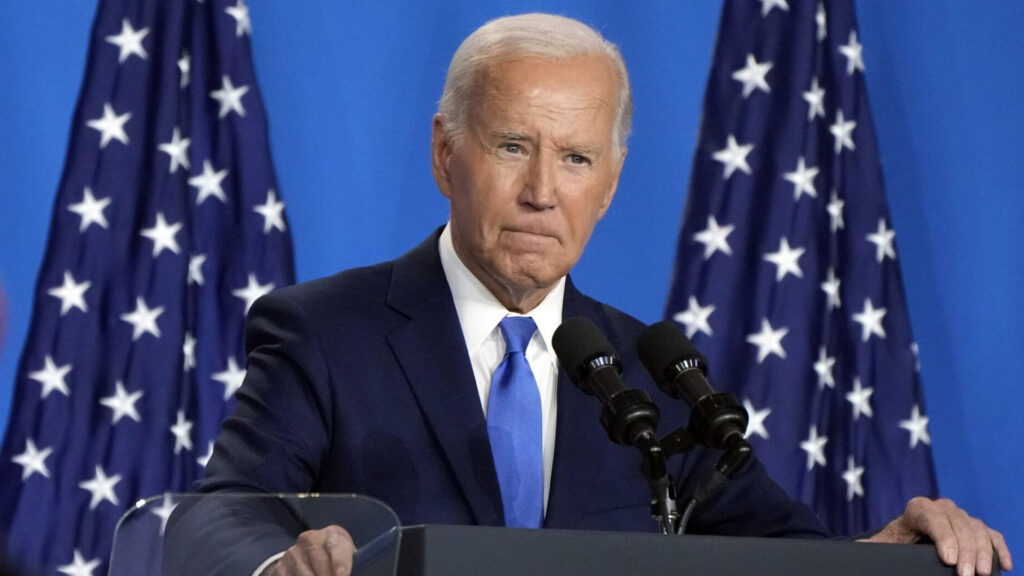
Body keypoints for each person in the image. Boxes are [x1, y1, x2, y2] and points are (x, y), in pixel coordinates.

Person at [169, 13, 1011, 576]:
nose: (543, 190)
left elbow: (782, 555)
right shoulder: (325, 333)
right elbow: (219, 515)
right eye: (511, 146)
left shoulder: (651, 375)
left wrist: (887, 554)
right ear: (444, 154)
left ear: (608, 186)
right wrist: (279, 564)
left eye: (575, 159)